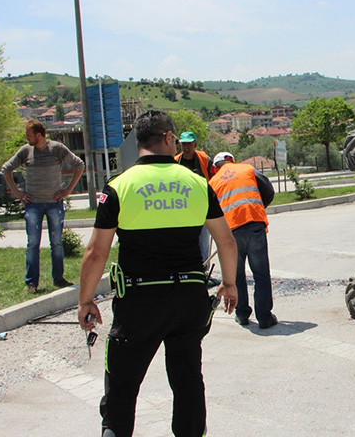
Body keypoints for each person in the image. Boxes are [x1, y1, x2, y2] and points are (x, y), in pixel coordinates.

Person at [77, 111, 238, 437]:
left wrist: (85, 301)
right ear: (168, 138)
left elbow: (96, 253)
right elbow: (226, 242)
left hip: (138, 303)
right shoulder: (197, 184)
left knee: (122, 388)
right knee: (187, 380)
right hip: (187, 301)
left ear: (139, 142)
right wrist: (229, 283)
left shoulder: (119, 186)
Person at [2, 120, 85, 294]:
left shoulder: (57, 149)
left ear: (39, 135)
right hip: (33, 204)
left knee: (56, 242)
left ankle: (59, 278)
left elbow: (79, 164)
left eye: (29, 134)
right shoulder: (26, 151)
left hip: (54, 203)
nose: (26, 137)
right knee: (33, 243)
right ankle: (32, 283)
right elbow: (6, 169)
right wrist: (17, 192)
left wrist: (67, 189)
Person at [209, 151, 278, 328]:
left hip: (231, 231)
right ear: (231, 161)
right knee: (261, 273)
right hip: (254, 224)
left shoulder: (213, 182)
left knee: (236, 275)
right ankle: (264, 317)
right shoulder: (247, 169)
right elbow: (268, 190)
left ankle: (241, 314)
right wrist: (258, 207)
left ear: (215, 167)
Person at [175, 131, 215, 262]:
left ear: (195, 144)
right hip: (182, 207)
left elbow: (214, 181)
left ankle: (203, 271)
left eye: (189, 144)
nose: (186, 148)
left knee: (203, 241)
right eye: (184, 144)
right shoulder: (175, 161)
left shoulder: (204, 159)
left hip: (202, 206)